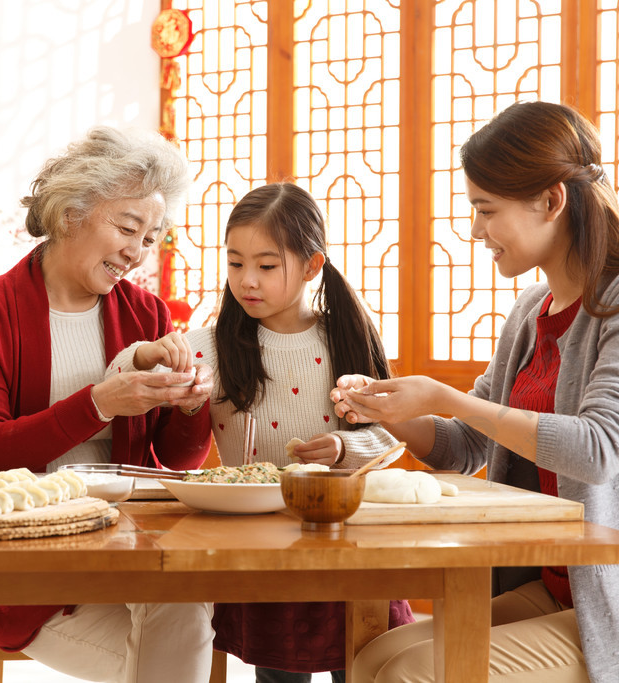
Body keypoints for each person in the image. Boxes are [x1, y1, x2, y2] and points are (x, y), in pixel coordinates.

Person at [333, 101, 619, 682]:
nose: (475, 230)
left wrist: (445, 396)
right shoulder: (532, 310)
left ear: (552, 201)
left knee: (406, 674)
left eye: (486, 210)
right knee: (375, 657)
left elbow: (599, 450)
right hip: (563, 590)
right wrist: (388, 411)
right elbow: (465, 446)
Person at [0, 125, 216, 683]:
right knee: (176, 645)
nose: (137, 252)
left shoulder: (147, 315)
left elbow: (178, 460)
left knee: (185, 601)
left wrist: (191, 405)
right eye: (127, 228)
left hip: (130, 546)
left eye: (151, 236)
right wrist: (98, 404)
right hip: (32, 571)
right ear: (70, 214)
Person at [120, 182, 414, 683]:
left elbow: (390, 438)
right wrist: (144, 355)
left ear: (312, 265)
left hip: (345, 541)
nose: (247, 280)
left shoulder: (345, 334)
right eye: (235, 263)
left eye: (266, 265)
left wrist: (345, 446)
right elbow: (115, 377)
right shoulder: (212, 344)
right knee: (278, 675)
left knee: (366, 666)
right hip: (259, 542)